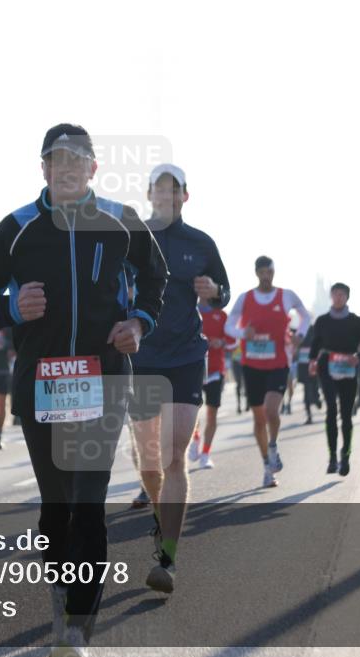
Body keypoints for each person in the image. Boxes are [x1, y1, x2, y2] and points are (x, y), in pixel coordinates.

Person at [0, 123, 167, 657]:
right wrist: (9, 308)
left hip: (103, 380)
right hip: (41, 385)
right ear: (44, 169)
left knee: (87, 503)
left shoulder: (122, 221)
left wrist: (139, 322)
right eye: (57, 159)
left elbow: (155, 279)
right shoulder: (19, 228)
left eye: (78, 159)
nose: (68, 167)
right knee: (56, 508)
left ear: (94, 168)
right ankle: (61, 601)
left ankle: (77, 631)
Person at [128, 163, 230, 595]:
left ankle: (168, 556)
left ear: (184, 196)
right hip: (142, 356)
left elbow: (224, 290)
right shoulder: (131, 237)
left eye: (173, 190)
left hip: (187, 355)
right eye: (159, 189)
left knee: (174, 455)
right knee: (148, 462)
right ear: (150, 193)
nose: (166, 195)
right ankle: (160, 515)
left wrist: (213, 292)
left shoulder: (200, 243)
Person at [225, 256, 310, 488]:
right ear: (256, 273)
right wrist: (244, 334)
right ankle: (267, 466)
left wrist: (299, 336)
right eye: (261, 272)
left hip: (278, 363)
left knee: (272, 410)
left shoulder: (287, 295)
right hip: (252, 365)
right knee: (258, 418)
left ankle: (273, 445)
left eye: (269, 271)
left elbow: (306, 316)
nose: (265, 275)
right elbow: (228, 327)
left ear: (273, 272)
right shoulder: (245, 298)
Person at [308, 283, 360, 476]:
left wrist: (359, 358)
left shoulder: (356, 322)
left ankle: (345, 455)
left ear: (347, 297)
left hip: (348, 369)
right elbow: (315, 344)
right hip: (327, 368)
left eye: (342, 295)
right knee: (331, 409)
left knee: (346, 415)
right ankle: (332, 458)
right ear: (331, 296)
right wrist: (312, 361)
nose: (338, 298)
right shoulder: (322, 321)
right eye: (335, 294)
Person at [188, 297, 235, 470]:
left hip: (215, 372)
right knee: (192, 412)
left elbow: (233, 341)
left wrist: (221, 342)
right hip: (194, 370)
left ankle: (206, 454)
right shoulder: (189, 311)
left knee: (211, 414)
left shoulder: (221, 315)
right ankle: (195, 438)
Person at [295, 326, 322, 425]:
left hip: (305, 367)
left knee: (308, 390)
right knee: (314, 387)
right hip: (312, 366)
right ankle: (316, 401)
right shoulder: (316, 337)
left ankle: (309, 414)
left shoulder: (301, 336)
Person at [281, 326, 297, 415]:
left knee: (290, 386)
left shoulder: (292, 338)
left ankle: (289, 403)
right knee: (281, 387)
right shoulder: (279, 338)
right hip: (280, 366)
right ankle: (282, 404)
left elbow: (295, 351)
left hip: (290, 366)